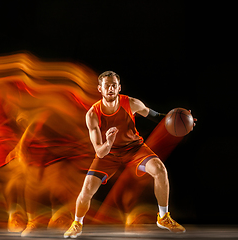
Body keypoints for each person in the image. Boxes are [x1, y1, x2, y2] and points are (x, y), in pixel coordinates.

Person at [64, 71, 195, 238]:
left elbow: (157, 117)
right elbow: (100, 152)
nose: (110, 89)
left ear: (119, 87)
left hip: (134, 148)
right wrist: (109, 143)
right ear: (100, 89)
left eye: (113, 86)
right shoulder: (92, 114)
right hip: (108, 153)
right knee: (87, 190)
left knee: (160, 170)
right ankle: (77, 223)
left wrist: (183, 121)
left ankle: (163, 217)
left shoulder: (131, 103)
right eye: (106, 86)